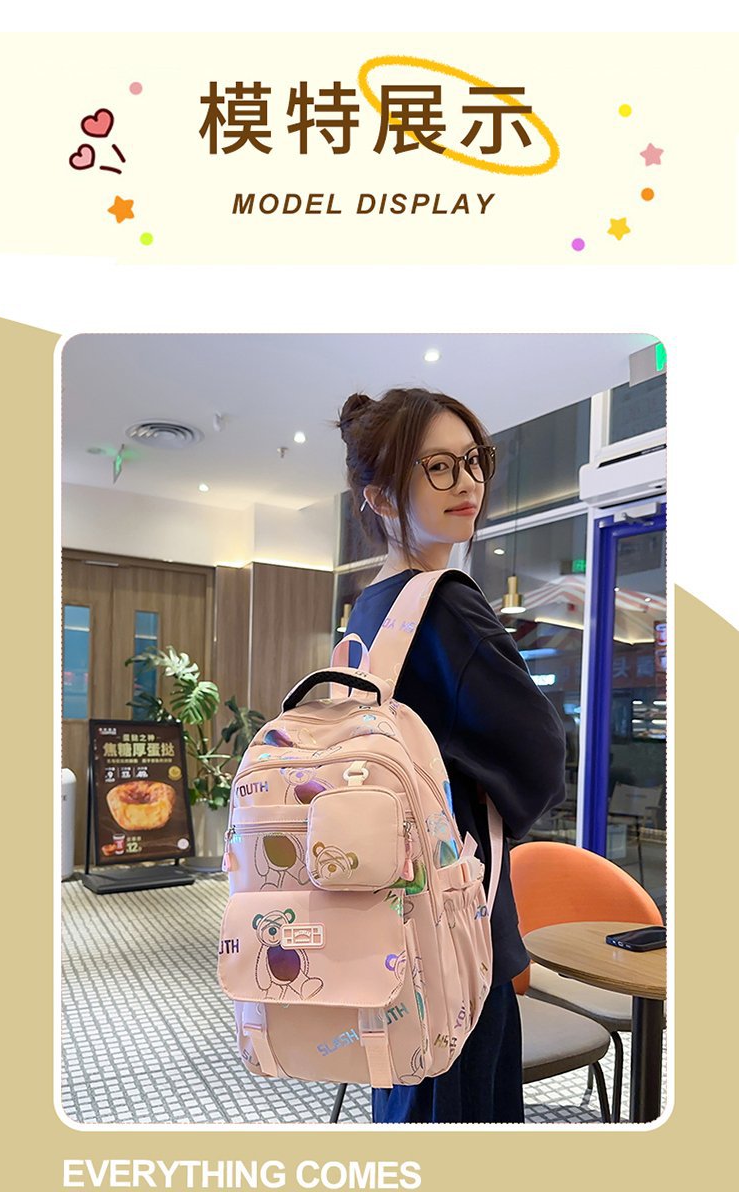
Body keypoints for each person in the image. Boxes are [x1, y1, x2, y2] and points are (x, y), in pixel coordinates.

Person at [335, 387, 567, 1124]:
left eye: (473, 460)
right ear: (379, 497)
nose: (467, 482)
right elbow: (540, 755)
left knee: (407, 1096)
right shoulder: (448, 604)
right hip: (453, 921)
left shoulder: (370, 608)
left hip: (386, 910)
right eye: (437, 466)